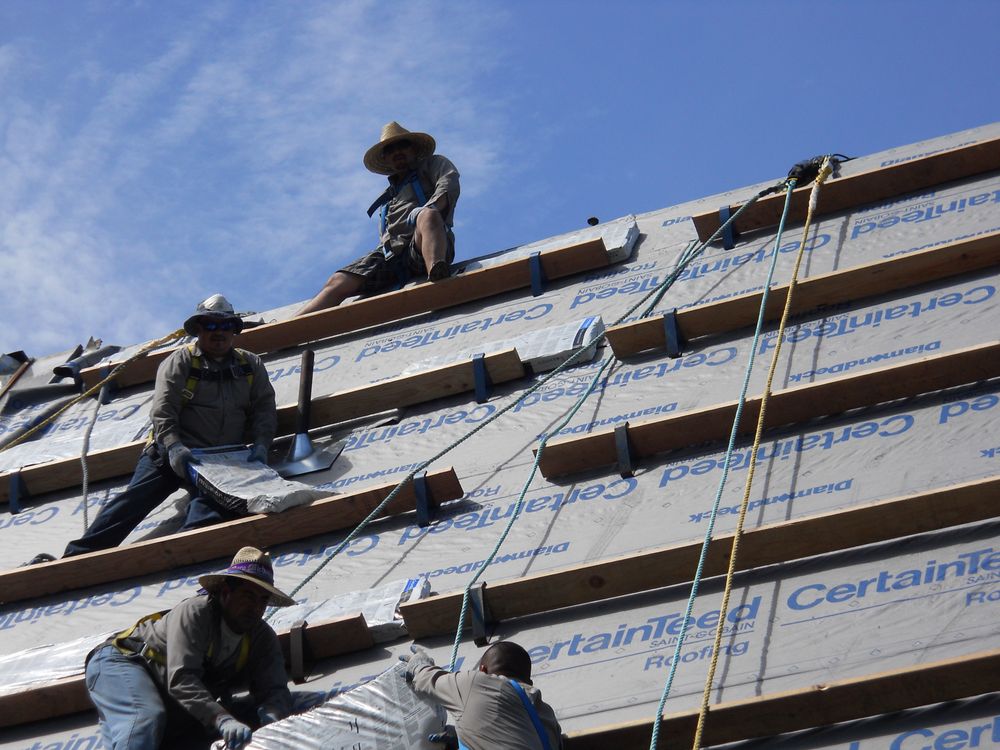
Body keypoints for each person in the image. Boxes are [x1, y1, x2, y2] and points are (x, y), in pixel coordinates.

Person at [60, 294, 277, 557]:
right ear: (198, 329)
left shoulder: (249, 364)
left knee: (210, 506)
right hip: (171, 452)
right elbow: (163, 409)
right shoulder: (182, 361)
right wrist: (174, 447)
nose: (218, 332)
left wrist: (263, 444)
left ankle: (191, 550)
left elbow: (264, 409)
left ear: (234, 330)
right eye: (210, 326)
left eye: (225, 326)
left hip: (219, 459)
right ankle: (79, 556)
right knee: (133, 503)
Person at [84, 546, 295, 749]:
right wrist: (222, 719)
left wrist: (272, 720)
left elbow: (274, 690)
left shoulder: (262, 637)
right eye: (248, 596)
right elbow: (181, 679)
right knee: (144, 717)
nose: (256, 607)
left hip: (170, 695)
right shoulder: (196, 612)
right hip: (124, 662)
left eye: (263, 600)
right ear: (225, 592)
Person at [296, 121, 460, 315]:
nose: (397, 152)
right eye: (390, 149)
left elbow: (448, 184)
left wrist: (429, 208)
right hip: (391, 257)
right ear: (386, 159)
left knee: (429, 215)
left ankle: (438, 274)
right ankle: (289, 326)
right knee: (337, 280)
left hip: (423, 244)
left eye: (402, 145)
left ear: (414, 149)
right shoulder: (389, 195)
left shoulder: (433, 164)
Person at [402, 641, 563, 750]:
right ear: (529, 681)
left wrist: (419, 664)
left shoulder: (477, 683)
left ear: (483, 671)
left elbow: (426, 679)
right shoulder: (547, 716)